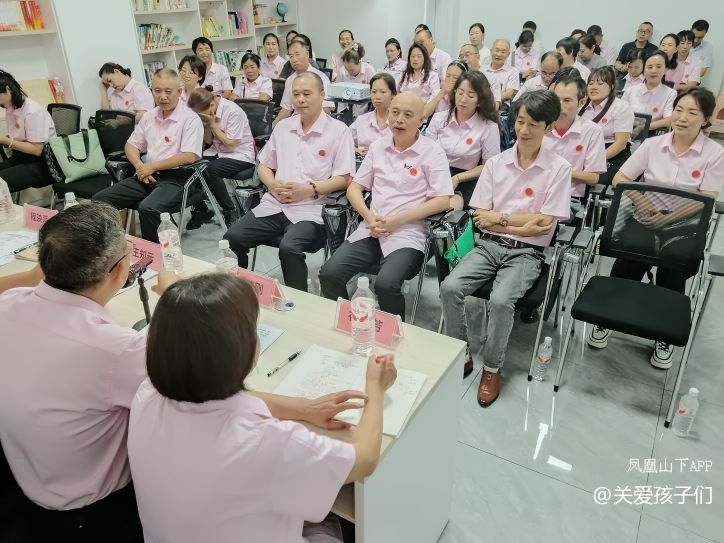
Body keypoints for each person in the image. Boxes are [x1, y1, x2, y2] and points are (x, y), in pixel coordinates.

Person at [128, 273, 398, 543]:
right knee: (327, 515)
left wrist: (303, 408)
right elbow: (365, 459)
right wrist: (375, 389)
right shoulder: (263, 443)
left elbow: (226, 398)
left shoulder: (146, 394)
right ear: (249, 352)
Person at [0, 202, 177, 542]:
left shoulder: (9, 304)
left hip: (30, 488)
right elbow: (201, 383)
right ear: (119, 271)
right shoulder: (115, 350)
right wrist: (176, 298)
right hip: (92, 515)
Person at [440, 90, 570, 403]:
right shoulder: (496, 164)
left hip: (527, 253)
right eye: (520, 121)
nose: (524, 130)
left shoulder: (559, 168)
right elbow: (480, 218)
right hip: (487, 246)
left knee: (500, 301)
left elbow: (545, 224)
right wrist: (522, 225)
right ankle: (461, 352)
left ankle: (492, 368)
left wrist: (503, 219)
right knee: (449, 286)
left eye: (533, 124)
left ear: (549, 126)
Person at [588, 88, 724, 369]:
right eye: (679, 110)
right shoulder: (653, 145)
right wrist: (643, 203)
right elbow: (621, 178)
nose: (682, 117)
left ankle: (665, 335)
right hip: (645, 217)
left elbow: (707, 198)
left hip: (684, 227)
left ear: (705, 119)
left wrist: (667, 220)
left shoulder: (715, 153)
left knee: (674, 265)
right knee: (629, 255)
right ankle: (606, 318)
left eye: (692, 112)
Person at [319, 92, 453, 318]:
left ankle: (393, 333)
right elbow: (354, 188)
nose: (399, 119)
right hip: (371, 229)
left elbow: (442, 200)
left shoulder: (432, 152)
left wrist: (397, 221)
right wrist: (369, 216)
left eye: (408, 115)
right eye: (395, 112)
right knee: (329, 274)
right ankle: (351, 322)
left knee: (386, 284)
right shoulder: (377, 147)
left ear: (421, 120)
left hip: (408, 234)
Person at [224, 72, 355, 292]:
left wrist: (309, 190)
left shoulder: (338, 131)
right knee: (232, 238)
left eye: (307, 94)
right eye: (296, 94)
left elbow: (345, 178)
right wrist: (273, 185)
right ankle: (240, 292)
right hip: (275, 204)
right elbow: (264, 165)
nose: (300, 99)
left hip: (312, 209)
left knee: (289, 248)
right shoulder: (284, 127)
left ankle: (299, 301)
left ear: (322, 95)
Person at [93, 69, 203, 242]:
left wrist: (151, 166)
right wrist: (140, 167)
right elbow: (131, 145)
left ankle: (157, 254)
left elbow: (189, 156)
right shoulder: (149, 116)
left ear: (179, 92)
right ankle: (113, 246)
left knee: (148, 208)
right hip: (146, 174)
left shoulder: (190, 118)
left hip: (178, 178)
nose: (162, 96)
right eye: (157, 91)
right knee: (100, 200)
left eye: (168, 91)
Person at [425, 71, 500, 209]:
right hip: (434, 173)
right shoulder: (439, 118)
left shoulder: (488, 127)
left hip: (465, 179)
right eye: (460, 93)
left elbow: (489, 165)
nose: (463, 99)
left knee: (445, 208)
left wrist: (458, 178)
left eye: (470, 95)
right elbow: (425, 152)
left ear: (480, 99)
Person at [184, 87, 254, 229]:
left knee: (209, 170)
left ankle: (229, 209)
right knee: (190, 165)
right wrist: (206, 124)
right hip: (216, 151)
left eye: (200, 114)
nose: (199, 116)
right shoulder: (206, 111)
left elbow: (231, 145)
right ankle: (201, 209)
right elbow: (209, 141)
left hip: (240, 154)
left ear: (211, 105)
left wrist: (211, 123)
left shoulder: (233, 111)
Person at [544, 73, 607, 202]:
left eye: (567, 100)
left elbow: (593, 178)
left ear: (581, 102)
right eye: (556, 99)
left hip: (570, 198)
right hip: (536, 192)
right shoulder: (540, 125)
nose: (559, 105)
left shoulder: (592, 131)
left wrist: (555, 172)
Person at [1, 70, 56, 195]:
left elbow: (37, 150)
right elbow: (20, 135)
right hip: (20, 157)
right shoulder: (10, 107)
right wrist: (7, 138)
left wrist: (6, 141)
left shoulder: (32, 111)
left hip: (43, 163)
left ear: (8, 89)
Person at [579, 66, 635, 186]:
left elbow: (621, 144)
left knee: (587, 181)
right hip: (583, 152)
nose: (594, 87)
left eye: (600, 83)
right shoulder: (581, 106)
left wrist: (594, 160)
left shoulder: (621, 107)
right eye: (591, 83)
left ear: (612, 86)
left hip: (612, 155)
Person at [273, 39, 333, 128]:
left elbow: (327, 108)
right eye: (291, 56)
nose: (294, 59)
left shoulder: (321, 78)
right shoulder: (290, 80)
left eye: (297, 54)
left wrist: (305, 123)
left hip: (316, 123)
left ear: (307, 54)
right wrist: (273, 126)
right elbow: (286, 109)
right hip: (295, 122)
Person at [622, 50, 677, 131]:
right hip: (626, 130)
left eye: (658, 67)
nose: (653, 71)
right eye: (650, 67)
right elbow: (619, 114)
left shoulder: (671, 93)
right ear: (644, 70)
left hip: (652, 133)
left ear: (665, 70)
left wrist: (644, 127)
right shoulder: (630, 91)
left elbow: (668, 120)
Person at [350, 72, 395, 154]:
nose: (377, 97)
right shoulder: (361, 120)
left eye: (383, 92)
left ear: (393, 94)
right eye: (374, 92)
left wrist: (375, 152)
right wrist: (356, 151)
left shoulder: (398, 122)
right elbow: (343, 142)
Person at [336, 42, 376, 117]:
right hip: (345, 110)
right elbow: (337, 93)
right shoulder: (342, 71)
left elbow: (375, 91)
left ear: (359, 62)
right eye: (346, 69)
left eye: (351, 70)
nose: (349, 72)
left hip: (365, 112)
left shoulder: (369, 70)